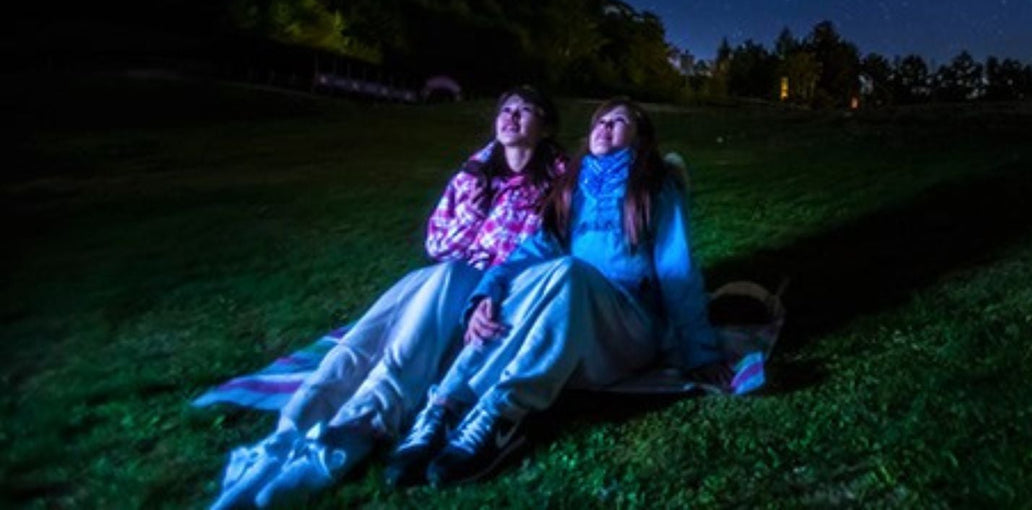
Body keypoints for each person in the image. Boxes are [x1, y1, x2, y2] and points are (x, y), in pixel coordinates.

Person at [211, 86, 565, 510]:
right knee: (369, 336)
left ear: (545, 127)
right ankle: (288, 433)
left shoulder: (558, 180)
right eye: (505, 109)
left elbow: (549, 247)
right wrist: (474, 205)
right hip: (447, 274)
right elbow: (438, 239)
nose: (511, 118)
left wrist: (487, 274)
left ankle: (353, 432)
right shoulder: (474, 173)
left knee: (409, 339)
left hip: (500, 286)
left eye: (525, 111)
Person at [383, 97, 732, 489]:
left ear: (641, 137)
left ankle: (503, 414)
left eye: (618, 121)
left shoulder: (655, 183)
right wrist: (487, 292)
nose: (604, 126)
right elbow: (534, 249)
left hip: (631, 328)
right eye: (600, 121)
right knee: (524, 283)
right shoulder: (574, 185)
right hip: (578, 326)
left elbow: (676, 268)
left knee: (568, 272)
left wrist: (701, 352)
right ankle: (446, 405)